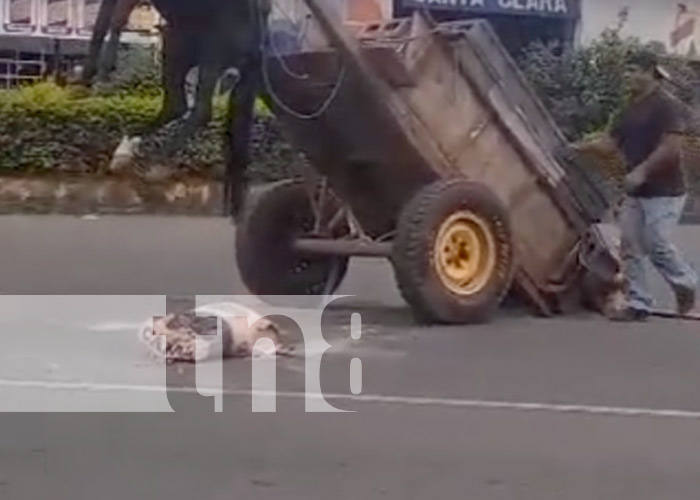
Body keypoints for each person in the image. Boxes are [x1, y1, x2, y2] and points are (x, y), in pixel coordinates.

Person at [579, 50, 698, 321]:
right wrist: (578, 148)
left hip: (666, 190)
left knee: (656, 241)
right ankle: (639, 303)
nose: (628, 76)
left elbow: (672, 147)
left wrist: (643, 171)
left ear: (650, 72)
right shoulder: (630, 108)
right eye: (628, 70)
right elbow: (610, 143)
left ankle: (686, 284)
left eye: (634, 70)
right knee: (630, 245)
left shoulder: (666, 106)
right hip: (636, 191)